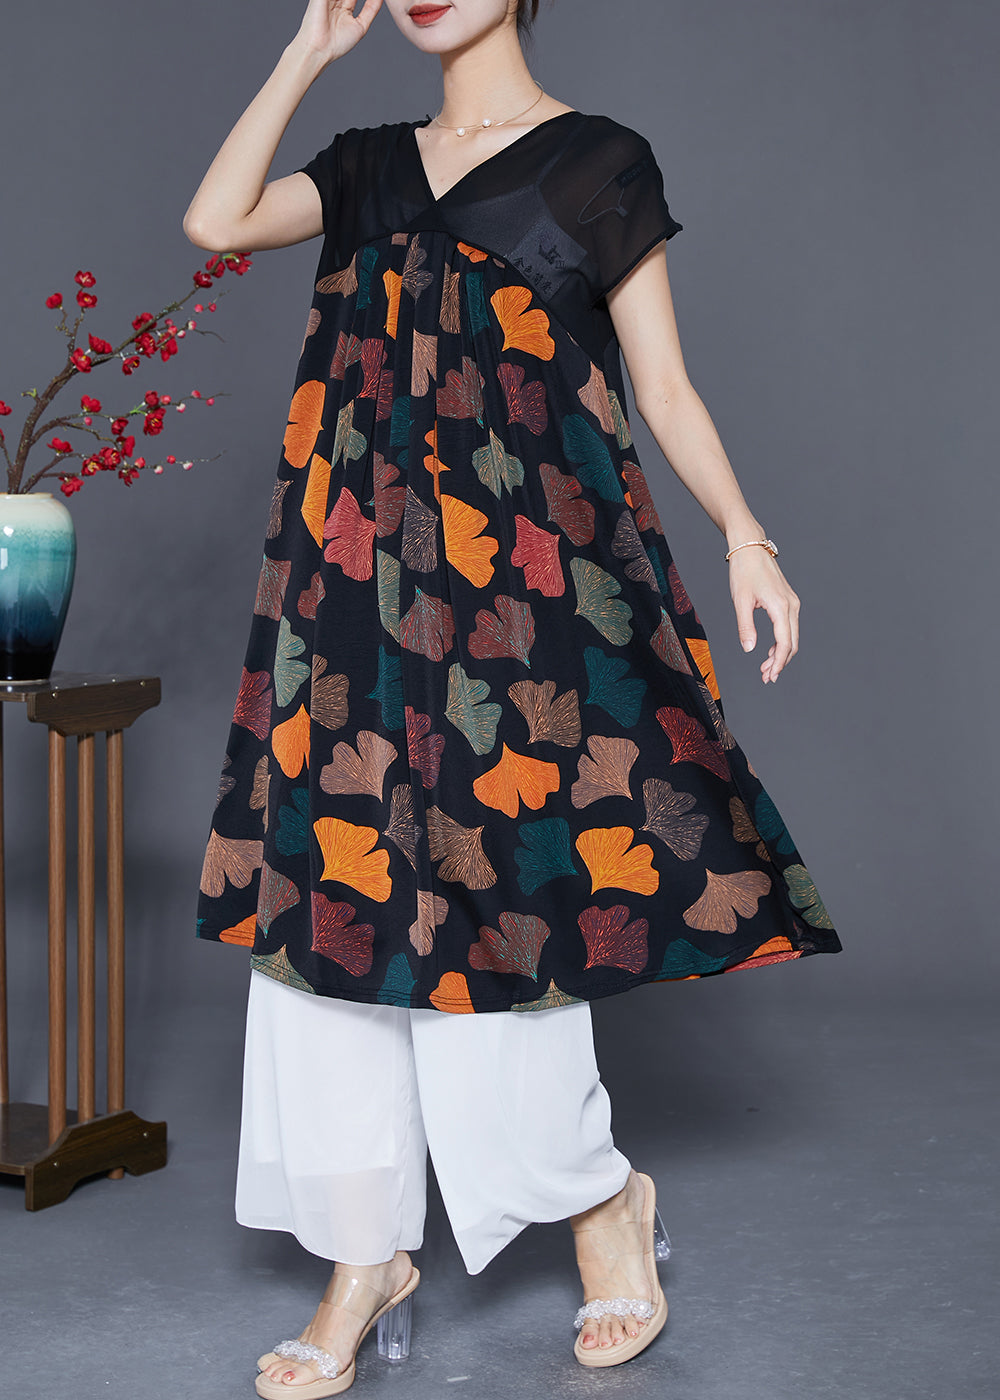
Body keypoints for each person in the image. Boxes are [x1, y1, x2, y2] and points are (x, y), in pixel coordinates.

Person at [184, 1, 842, 1393]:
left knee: (506, 901)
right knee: (333, 895)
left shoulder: (597, 162)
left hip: (514, 602)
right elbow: (216, 221)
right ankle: (362, 1251)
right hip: (349, 588)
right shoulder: (366, 164)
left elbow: (662, 384)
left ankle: (601, 1201)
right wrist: (308, 52)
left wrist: (748, 536)